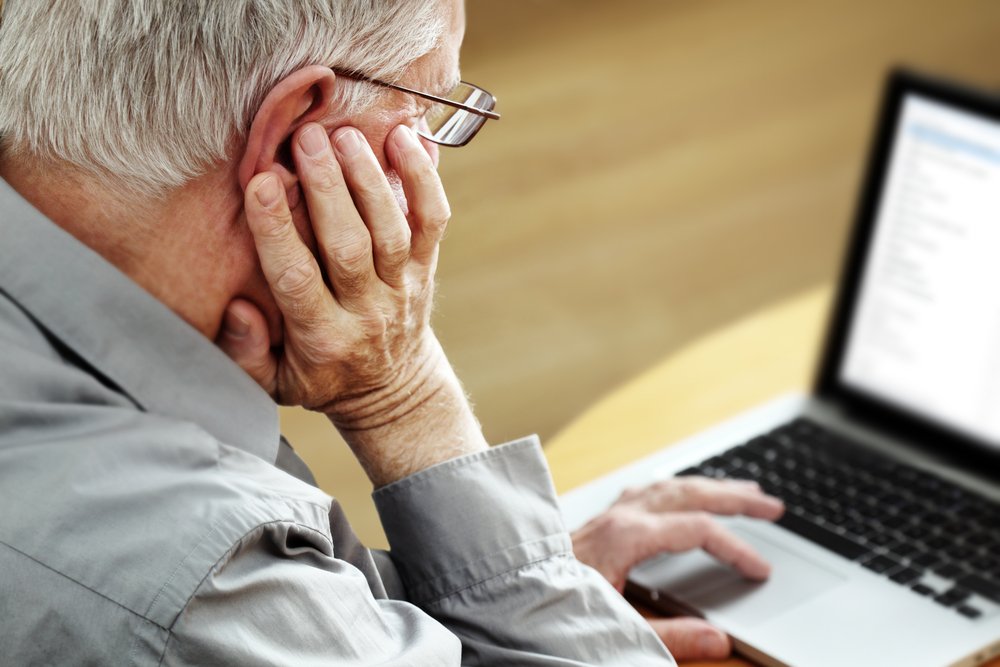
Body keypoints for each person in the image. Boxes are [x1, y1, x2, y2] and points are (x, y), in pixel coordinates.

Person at [0, 0, 784, 664]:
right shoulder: (208, 584)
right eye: (427, 111)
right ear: (295, 137)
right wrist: (403, 396)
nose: (432, 173)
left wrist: (490, 586)